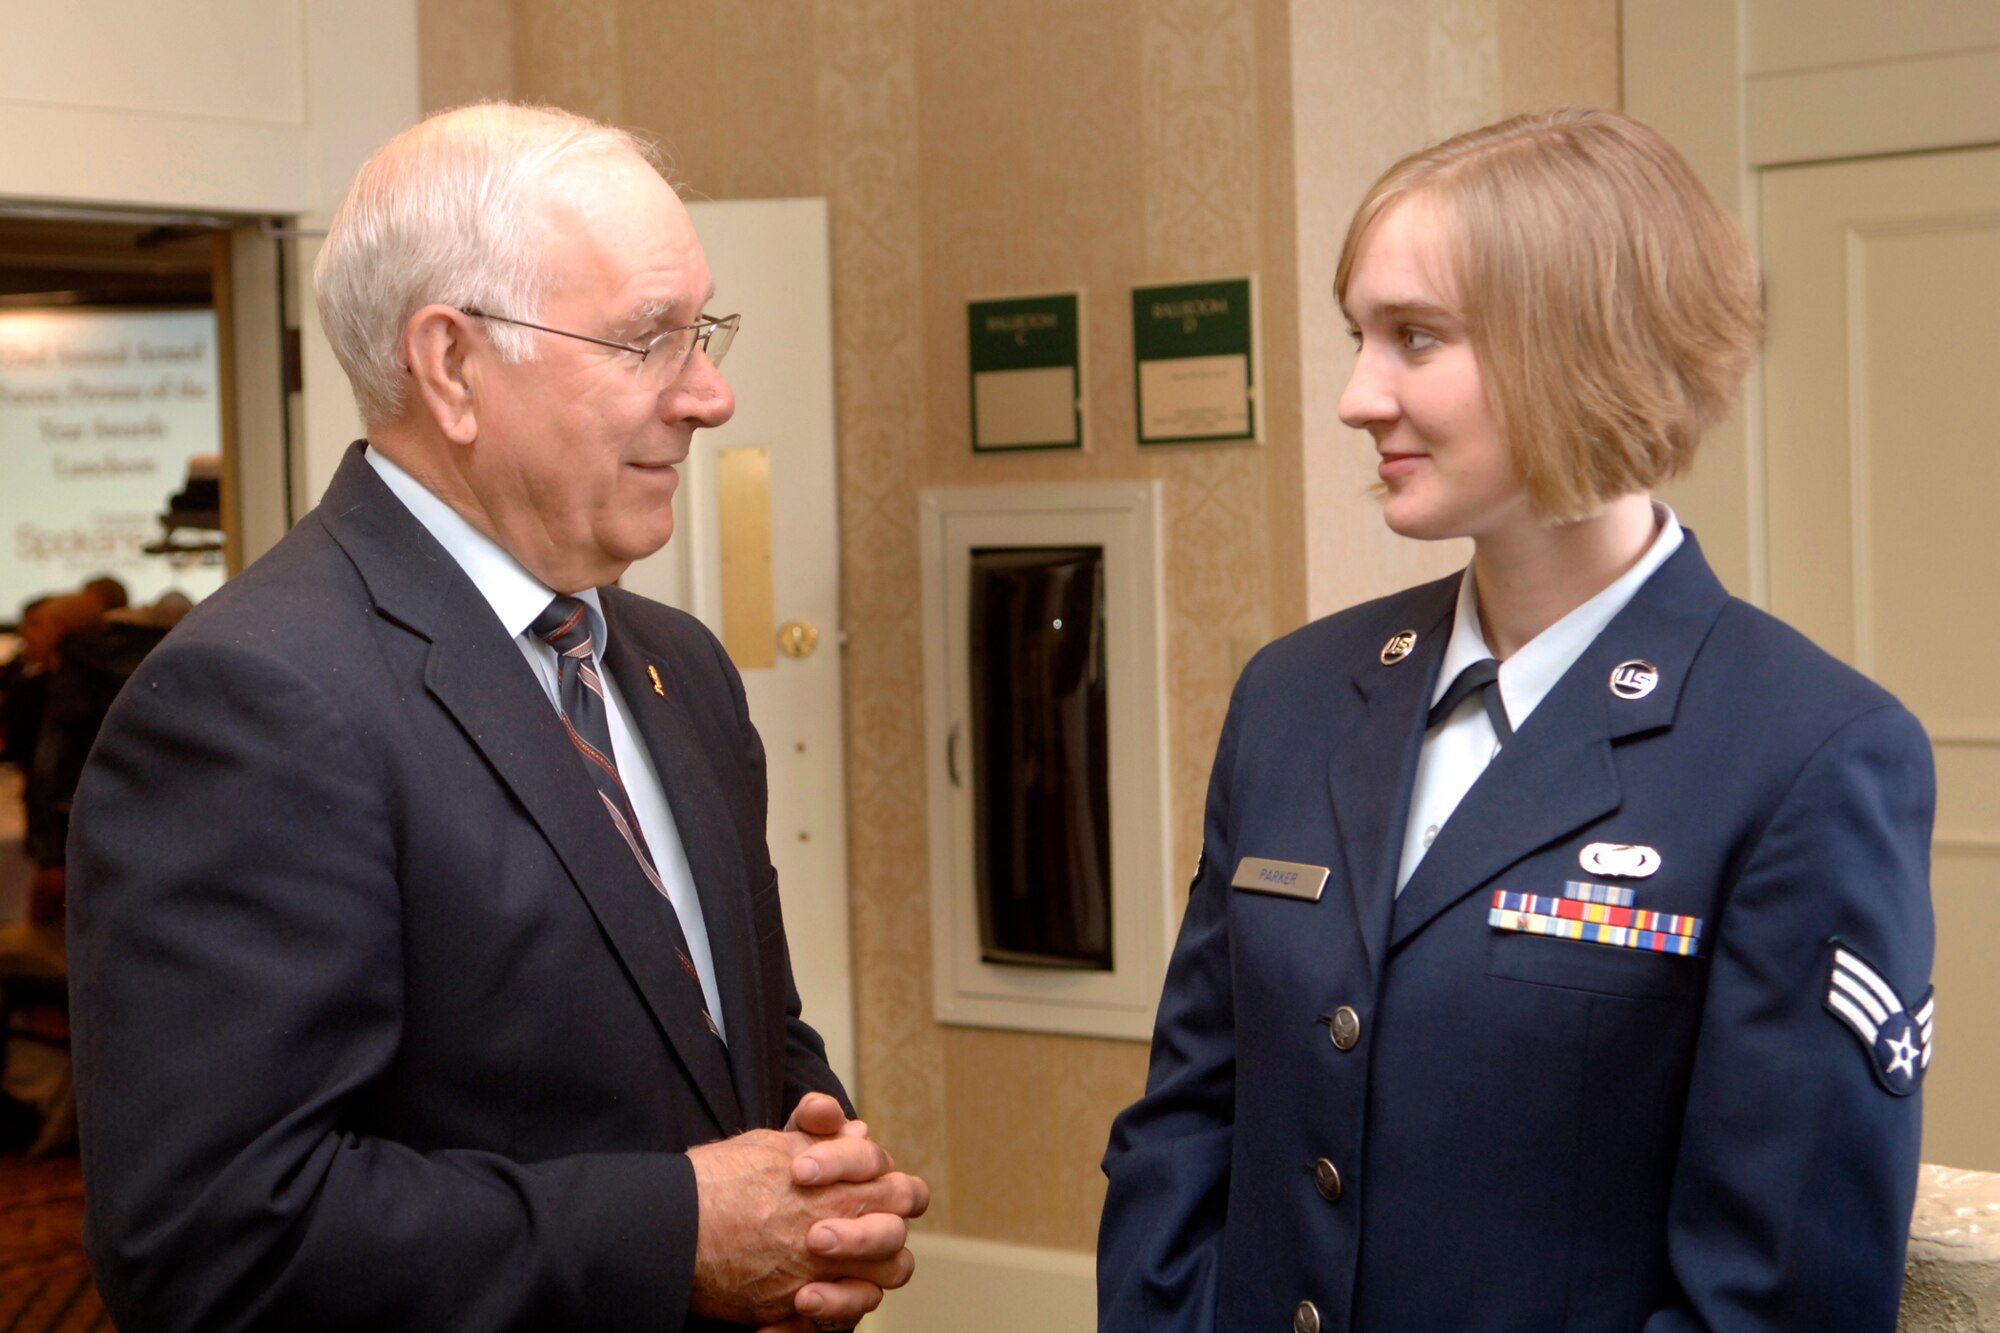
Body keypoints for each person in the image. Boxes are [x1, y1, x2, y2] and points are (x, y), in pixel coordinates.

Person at [69, 103, 925, 1332]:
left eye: (703, 332)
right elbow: (213, 1236)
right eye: (648, 341)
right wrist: (680, 1234)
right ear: (452, 366)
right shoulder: (253, 700)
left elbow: (735, 1029)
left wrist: (816, 1187)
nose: (711, 394)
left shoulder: (676, 665)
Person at [1098, 108, 1935, 1331]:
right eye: (1357, 336)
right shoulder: (1293, 694)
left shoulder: (1803, 753)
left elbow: (1774, 1292)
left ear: (1579, 344)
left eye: (1414, 339)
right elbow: (1185, 1127)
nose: (1352, 395)